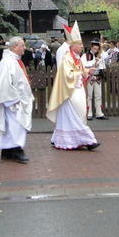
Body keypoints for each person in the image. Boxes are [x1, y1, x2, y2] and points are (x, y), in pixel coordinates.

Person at [47, 22, 101, 150]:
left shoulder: (76, 57)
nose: (82, 46)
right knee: (74, 118)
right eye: (80, 44)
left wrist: (88, 72)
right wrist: (81, 73)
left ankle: (62, 139)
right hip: (70, 92)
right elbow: (67, 75)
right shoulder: (67, 58)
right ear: (73, 45)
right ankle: (88, 140)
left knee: (72, 118)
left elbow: (80, 71)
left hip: (77, 91)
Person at [0, 36, 34, 163]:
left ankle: (6, 151)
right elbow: (5, 83)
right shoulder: (8, 62)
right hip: (13, 100)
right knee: (18, 125)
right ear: (15, 47)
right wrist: (14, 99)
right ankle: (17, 150)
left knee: (11, 126)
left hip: (18, 99)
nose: (24, 48)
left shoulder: (15, 60)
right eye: (22, 45)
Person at [83, 40, 108, 120]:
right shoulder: (86, 55)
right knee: (89, 96)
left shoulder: (100, 55)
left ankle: (99, 112)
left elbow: (106, 57)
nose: (95, 50)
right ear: (91, 48)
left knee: (98, 95)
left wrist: (101, 49)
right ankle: (89, 112)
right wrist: (92, 64)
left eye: (97, 49)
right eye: (94, 49)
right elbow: (83, 64)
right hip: (89, 77)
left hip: (97, 77)